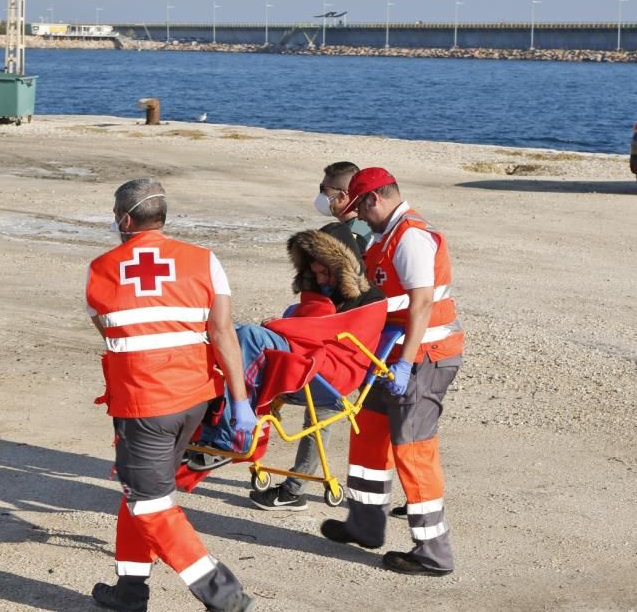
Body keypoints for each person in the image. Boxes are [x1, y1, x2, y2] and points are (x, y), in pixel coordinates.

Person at [85, 178, 257, 612]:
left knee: (149, 503)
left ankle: (225, 596)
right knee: (141, 493)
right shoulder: (204, 261)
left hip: (144, 403)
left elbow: (108, 330)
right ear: (163, 215)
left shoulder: (101, 268)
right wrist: (240, 402)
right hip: (194, 399)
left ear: (124, 218)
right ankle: (130, 592)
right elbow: (223, 334)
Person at [319, 167, 464, 577]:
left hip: (422, 358)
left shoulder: (411, 238)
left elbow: (419, 305)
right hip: (389, 356)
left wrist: (404, 363)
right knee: (367, 432)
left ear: (373, 199)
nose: (359, 219)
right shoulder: (388, 236)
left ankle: (433, 552)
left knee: (412, 449)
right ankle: (365, 524)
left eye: (360, 210)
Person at [247, 222, 385, 510]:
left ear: (343, 268)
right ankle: (226, 446)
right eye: (316, 273)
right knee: (255, 367)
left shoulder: (369, 300)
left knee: (318, 410)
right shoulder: (324, 293)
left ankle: (294, 489)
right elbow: (309, 325)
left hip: (340, 370)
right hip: (314, 362)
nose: (321, 279)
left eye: (326, 272)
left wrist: (281, 327)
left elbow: (321, 329)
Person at [314, 161, 372, 254]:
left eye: (324, 189)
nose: (321, 194)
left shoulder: (352, 235)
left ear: (342, 196)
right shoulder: (365, 223)